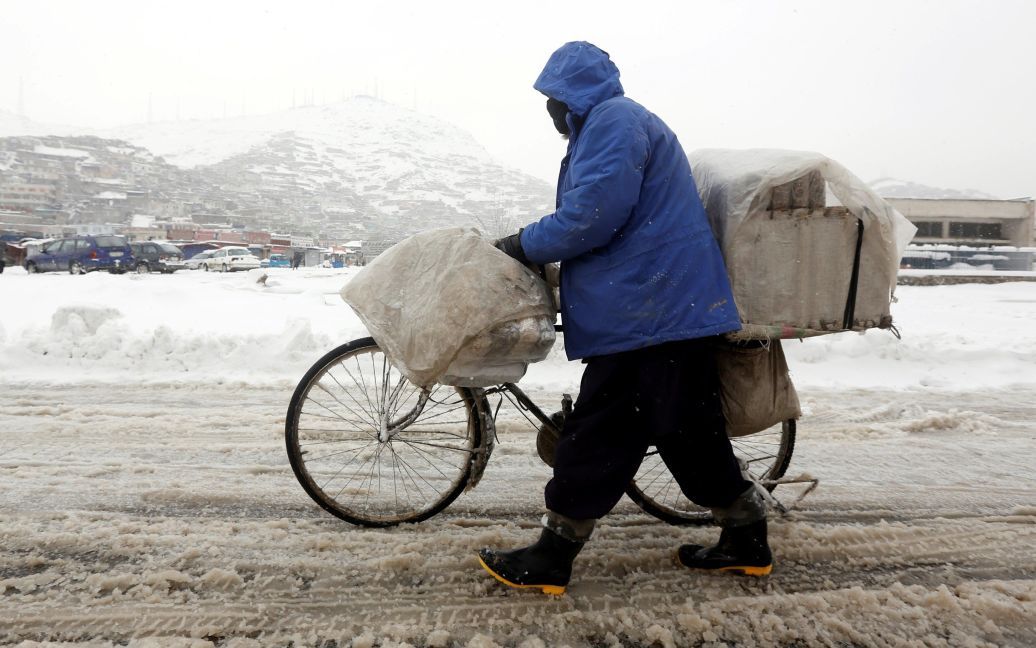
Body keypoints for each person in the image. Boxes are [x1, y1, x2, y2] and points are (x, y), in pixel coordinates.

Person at [479, 41, 772, 595]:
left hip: (651, 308)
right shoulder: (609, 125)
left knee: (601, 431)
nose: (548, 110)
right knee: (687, 433)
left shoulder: (614, 121)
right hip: (658, 307)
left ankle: (553, 553)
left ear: (572, 94)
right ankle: (746, 536)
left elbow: (591, 216)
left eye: (551, 98)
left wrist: (522, 244)